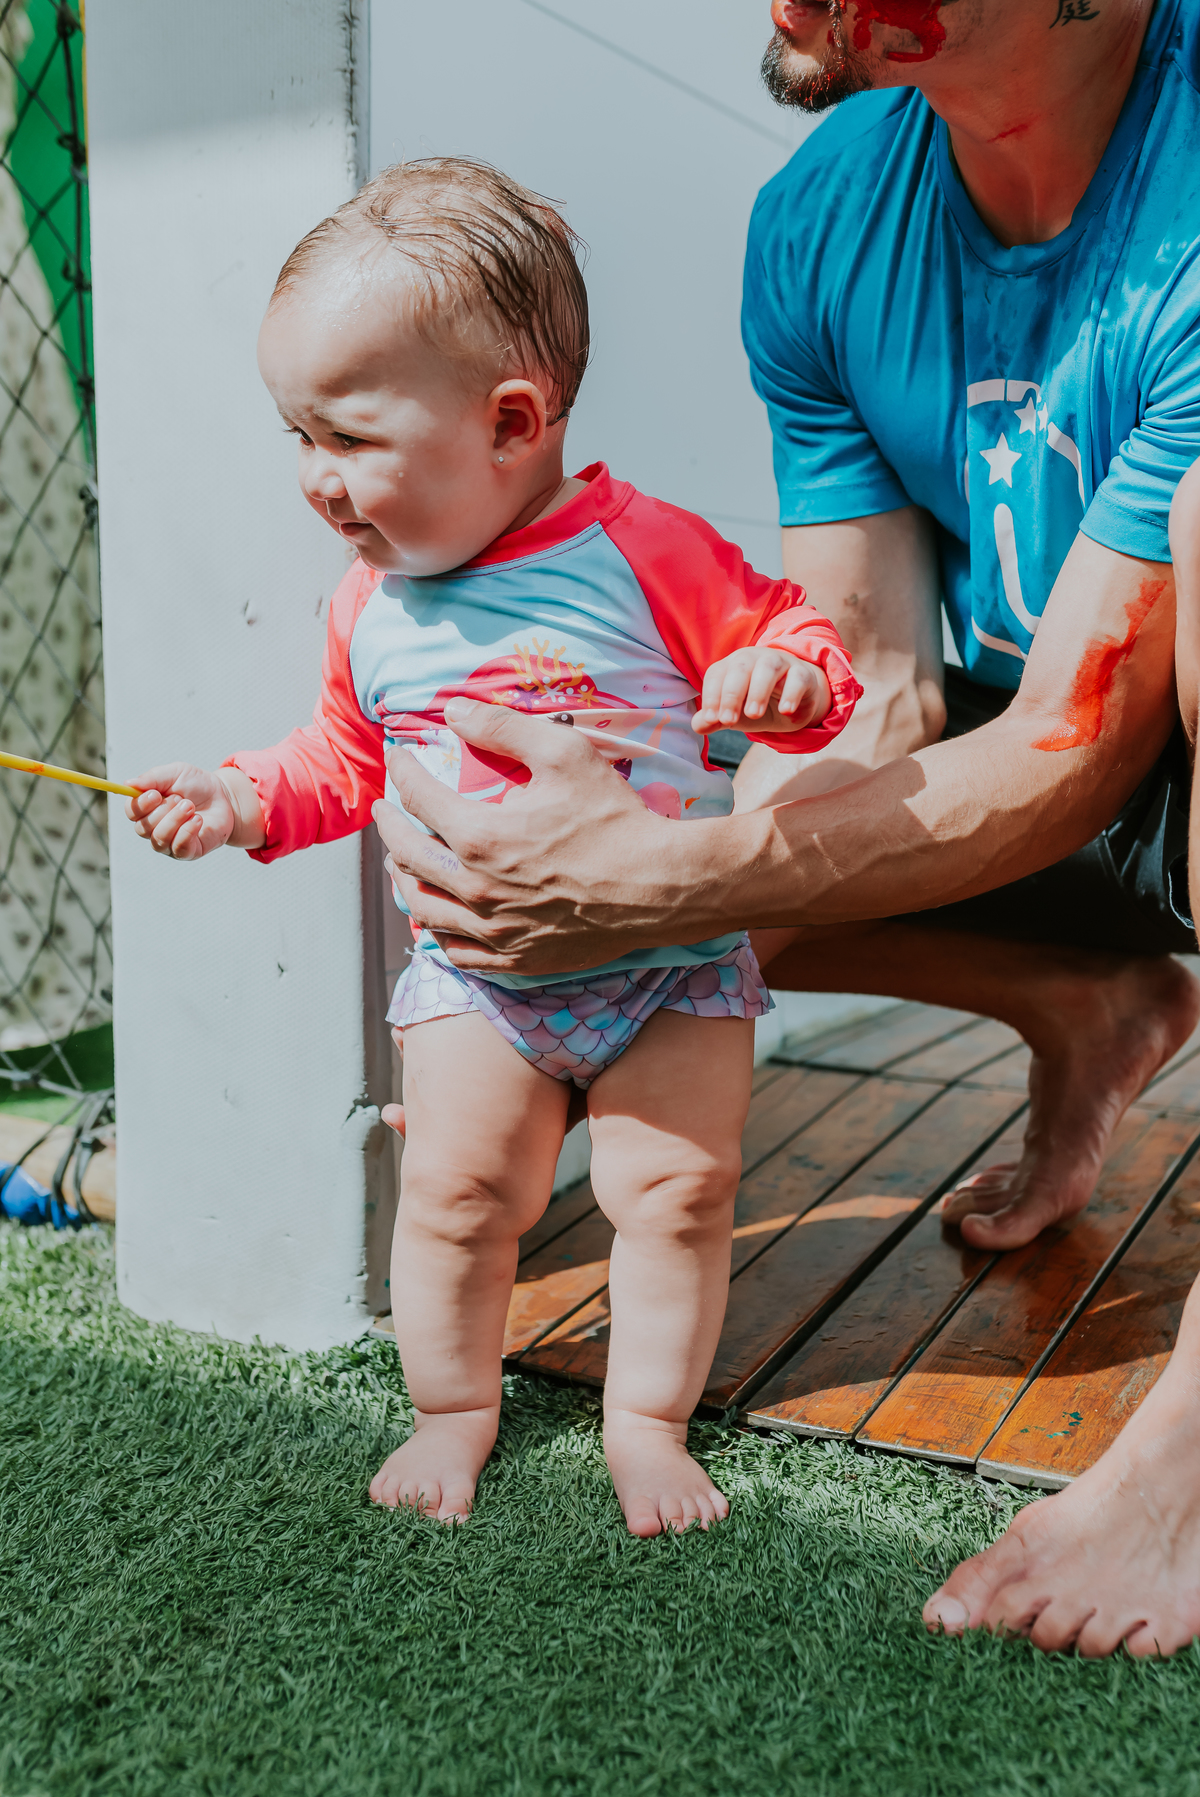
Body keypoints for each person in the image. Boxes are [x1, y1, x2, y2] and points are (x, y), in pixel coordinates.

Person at [366, 3, 1200, 1653]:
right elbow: (873, 680)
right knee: (706, 785)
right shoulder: (825, 214)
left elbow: (1083, 740)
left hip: (1138, 736)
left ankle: (1190, 1454)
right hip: (1085, 760)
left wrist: (666, 883)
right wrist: (633, 904)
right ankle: (1091, 1002)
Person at [122, 159, 862, 1536]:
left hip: (671, 966)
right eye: (298, 436)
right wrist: (235, 798)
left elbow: (792, 626)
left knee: (676, 1195)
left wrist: (787, 677)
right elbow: (341, 762)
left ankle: (645, 1423)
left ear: (511, 421)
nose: (314, 481)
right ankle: (452, 1408)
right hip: (479, 981)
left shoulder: (650, 552)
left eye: (344, 437)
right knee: (460, 1199)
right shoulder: (371, 608)